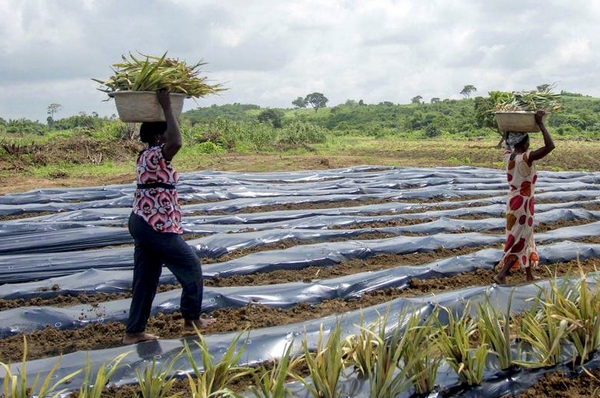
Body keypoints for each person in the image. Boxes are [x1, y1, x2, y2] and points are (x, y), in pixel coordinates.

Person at [123, 89, 213, 345]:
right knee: (192, 266)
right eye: (165, 132)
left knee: (146, 278)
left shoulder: (149, 157)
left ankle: (134, 331)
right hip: (154, 226)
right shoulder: (154, 154)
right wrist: (167, 106)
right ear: (156, 136)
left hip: (145, 222)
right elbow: (177, 142)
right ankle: (191, 319)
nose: (169, 135)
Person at [494, 110, 555, 284]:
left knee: (525, 235)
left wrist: (507, 126)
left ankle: (528, 274)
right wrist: (541, 124)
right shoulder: (526, 158)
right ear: (525, 143)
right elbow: (550, 146)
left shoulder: (508, 157)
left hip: (514, 201)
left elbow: (507, 142)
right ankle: (502, 274)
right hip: (523, 203)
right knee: (520, 238)